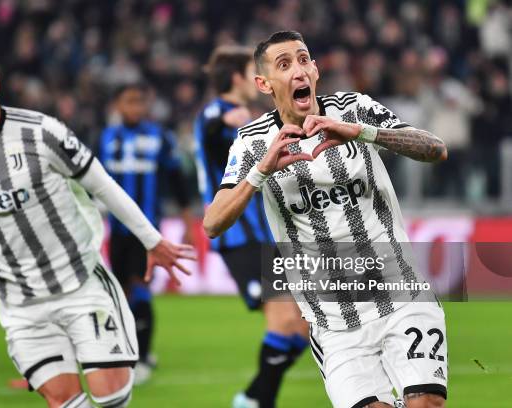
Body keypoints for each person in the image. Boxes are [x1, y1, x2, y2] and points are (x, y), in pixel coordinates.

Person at [0, 40, 194, 408]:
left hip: (80, 284)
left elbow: (102, 185)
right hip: (23, 307)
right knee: (65, 402)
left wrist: (152, 240)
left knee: (113, 398)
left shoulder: (42, 133)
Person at [203, 31, 449, 408]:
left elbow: (434, 149)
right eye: (284, 65)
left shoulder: (354, 108)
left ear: (315, 70)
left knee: (425, 403)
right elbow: (213, 223)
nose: (298, 70)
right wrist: (261, 171)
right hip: (334, 322)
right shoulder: (252, 142)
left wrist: (362, 132)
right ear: (263, 83)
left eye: (304, 59)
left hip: (402, 296)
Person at [194, 45, 309, 408]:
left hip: (264, 234)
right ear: (236, 77)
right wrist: (227, 122)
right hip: (238, 235)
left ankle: (253, 397)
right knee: (283, 321)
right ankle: (259, 402)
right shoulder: (219, 112)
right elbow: (211, 128)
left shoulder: (251, 121)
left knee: (304, 328)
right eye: (251, 70)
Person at [99, 83, 194, 384]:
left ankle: (141, 357)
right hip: (116, 228)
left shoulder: (160, 137)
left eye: (140, 101)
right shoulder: (104, 137)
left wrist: (187, 218)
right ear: (117, 104)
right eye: (129, 101)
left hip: (147, 229)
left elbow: (177, 177)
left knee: (141, 287)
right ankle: (136, 350)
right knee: (123, 292)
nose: (135, 107)